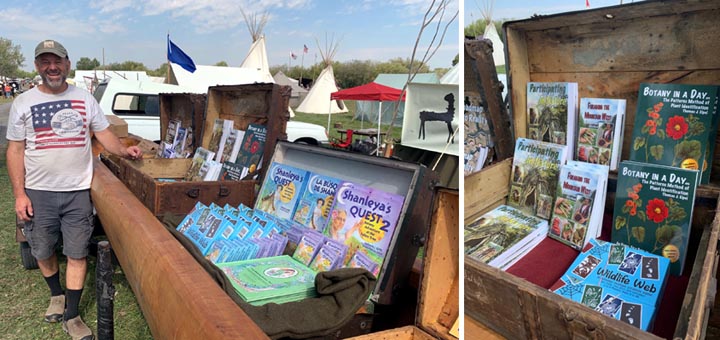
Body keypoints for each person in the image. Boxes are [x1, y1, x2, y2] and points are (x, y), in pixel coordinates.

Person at [6, 39, 142, 340]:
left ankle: (72, 314)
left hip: (78, 192)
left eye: (57, 61)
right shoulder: (23, 103)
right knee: (41, 249)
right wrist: (19, 194)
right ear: (37, 66)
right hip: (38, 191)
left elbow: (104, 134)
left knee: (78, 252)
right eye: (45, 62)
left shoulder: (84, 99)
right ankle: (56, 293)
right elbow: (15, 151)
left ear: (68, 64)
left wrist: (123, 150)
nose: (52, 67)